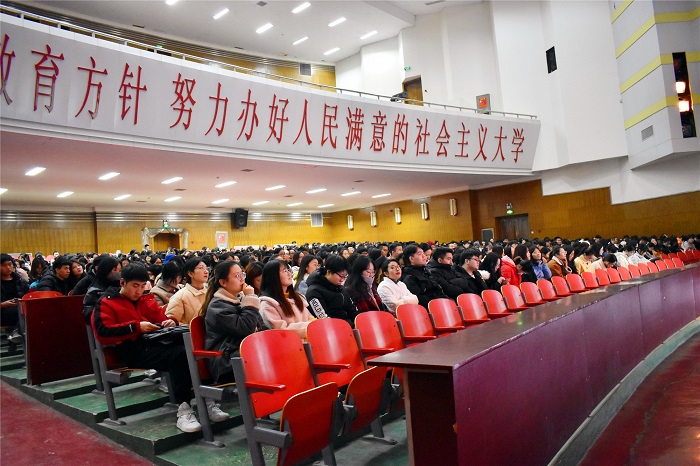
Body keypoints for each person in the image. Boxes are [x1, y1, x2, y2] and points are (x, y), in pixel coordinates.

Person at [91, 263, 200, 433]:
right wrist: (135, 327)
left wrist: (169, 322)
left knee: (192, 347)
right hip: (130, 349)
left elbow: (160, 318)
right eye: (135, 286)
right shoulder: (107, 302)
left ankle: (207, 401)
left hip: (154, 343)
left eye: (143, 286)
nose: (139, 291)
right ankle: (184, 410)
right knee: (180, 355)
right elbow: (102, 332)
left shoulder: (145, 299)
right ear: (122, 283)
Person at [202, 261, 262, 386]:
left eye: (242, 275)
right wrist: (250, 299)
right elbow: (246, 328)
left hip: (242, 353)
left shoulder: (240, 299)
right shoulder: (218, 307)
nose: (242, 279)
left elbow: (260, 325)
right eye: (237, 276)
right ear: (223, 283)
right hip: (226, 362)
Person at [259, 260, 313, 340]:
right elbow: (281, 330)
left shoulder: (297, 297)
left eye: (288, 270)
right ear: (273, 276)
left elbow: (309, 317)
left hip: (308, 342)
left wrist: (313, 324)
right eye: (284, 271)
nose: (289, 274)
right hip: (287, 345)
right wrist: (308, 327)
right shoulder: (268, 304)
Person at [305, 255, 358, 327]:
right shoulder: (314, 292)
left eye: (345, 277)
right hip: (332, 329)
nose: (342, 280)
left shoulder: (341, 289)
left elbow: (352, 309)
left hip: (349, 327)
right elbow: (323, 318)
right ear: (329, 272)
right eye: (341, 276)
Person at [166, 257, 208, 326]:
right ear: (190, 274)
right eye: (201, 268)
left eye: (206, 268)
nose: (206, 271)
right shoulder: (180, 296)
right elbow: (171, 323)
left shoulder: (210, 293)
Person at [82, 256, 121, 324]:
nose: (120, 273)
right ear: (108, 270)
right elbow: (90, 317)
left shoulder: (119, 286)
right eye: (118, 270)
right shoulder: (94, 292)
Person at [1, 254, 29, 346]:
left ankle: (16, 333)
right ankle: (16, 332)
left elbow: (27, 296)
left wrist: (20, 300)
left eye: (10, 264)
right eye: (4, 265)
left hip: (19, 310)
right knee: (20, 312)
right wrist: (3, 304)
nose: (8, 267)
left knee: (27, 310)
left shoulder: (20, 280)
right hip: (3, 312)